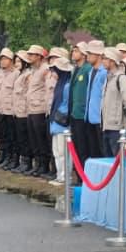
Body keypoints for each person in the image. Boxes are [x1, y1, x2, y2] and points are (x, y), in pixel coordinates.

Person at [27, 48, 57, 178]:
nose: (29, 56)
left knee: (41, 139)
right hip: (31, 108)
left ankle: (44, 165)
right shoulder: (33, 70)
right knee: (34, 139)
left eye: (32, 54)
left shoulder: (45, 69)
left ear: (39, 56)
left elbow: (48, 89)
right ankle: (38, 164)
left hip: (39, 108)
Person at [98, 49, 126, 157]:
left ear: (113, 61)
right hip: (106, 126)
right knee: (108, 160)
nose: (103, 61)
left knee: (119, 159)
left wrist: (121, 115)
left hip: (117, 128)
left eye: (105, 58)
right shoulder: (108, 78)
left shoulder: (121, 78)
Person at [47, 51, 75, 186]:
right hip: (55, 122)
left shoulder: (68, 85)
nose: (54, 72)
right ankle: (59, 175)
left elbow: (68, 104)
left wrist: (61, 116)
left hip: (63, 122)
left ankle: (65, 176)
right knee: (56, 151)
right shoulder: (59, 84)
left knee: (64, 152)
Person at [68, 43, 94, 166]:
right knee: (76, 145)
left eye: (76, 51)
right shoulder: (75, 69)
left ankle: (83, 172)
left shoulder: (88, 69)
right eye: (73, 50)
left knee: (83, 146)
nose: (73, 53)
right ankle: (79, 171)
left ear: (83, 54)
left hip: (82, 114)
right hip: (74, 112)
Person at [0, 49, 18, 169]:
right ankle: (3, 156)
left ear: (11, 60)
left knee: (11, 135)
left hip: (10, 110)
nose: (2, 61)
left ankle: (11, 158)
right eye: (1, 59)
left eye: (5, 59)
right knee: (0, 134)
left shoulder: (16, 74)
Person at [86, 41, 109, 159]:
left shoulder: (104, 72)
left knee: (102, 150)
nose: (88, 56)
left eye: (90, 53)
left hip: (101, 118)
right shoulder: (91, 71)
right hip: (90, 116)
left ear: (99, 55)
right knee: (93, 150)